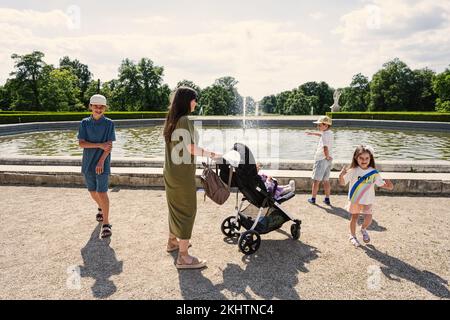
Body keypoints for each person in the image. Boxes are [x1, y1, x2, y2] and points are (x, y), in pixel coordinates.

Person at [163, 87, 220, 269]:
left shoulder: (171, 118)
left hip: (171, 171)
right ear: (187, 101)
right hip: (181, 174)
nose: (196, 103)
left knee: (175, 208)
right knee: (187, 210)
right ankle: (184, 256)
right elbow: (190, 148)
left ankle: (173, 242)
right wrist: (211, 153)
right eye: (194, 99)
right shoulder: (185, 119)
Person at [339, 145, 394, 247]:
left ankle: (363, 229)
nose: (364, 160)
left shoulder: (373, 172)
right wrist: (341, 176)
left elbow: (381, 184)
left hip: (368, 199)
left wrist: (389, 186)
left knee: (369, 218)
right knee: (354, 217)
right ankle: (352, 235)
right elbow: (343, 183)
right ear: (356, 158)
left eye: (367, 158)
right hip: (355, 199)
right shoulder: (353, 170)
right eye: (361, 158)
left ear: (370, 158)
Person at [78, 94, 116, 238]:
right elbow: (81, 143)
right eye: (95, 106)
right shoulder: (84, 123)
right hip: (88, 163)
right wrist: (99, 144)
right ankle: (100, 207)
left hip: (103, 162)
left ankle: (106, 224)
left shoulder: (109, 123)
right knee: (92, 191)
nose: (98, 109)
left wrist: (101, 161)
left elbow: (109, 146)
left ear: (104, 108)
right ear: (91, 107)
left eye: (101, 107)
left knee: (101, 192)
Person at [306, 115, 333, 205]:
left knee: (316, 181)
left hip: (321, 159)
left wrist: (326, 156)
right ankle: (327, 198)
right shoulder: (330, 133)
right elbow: (321, 135)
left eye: (320, 125)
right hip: (328, 160)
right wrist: (312, 133)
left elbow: (325, 147)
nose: (318, 127)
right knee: (326, 180)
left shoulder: (324, 135)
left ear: (326, 126)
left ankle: (313, 198)